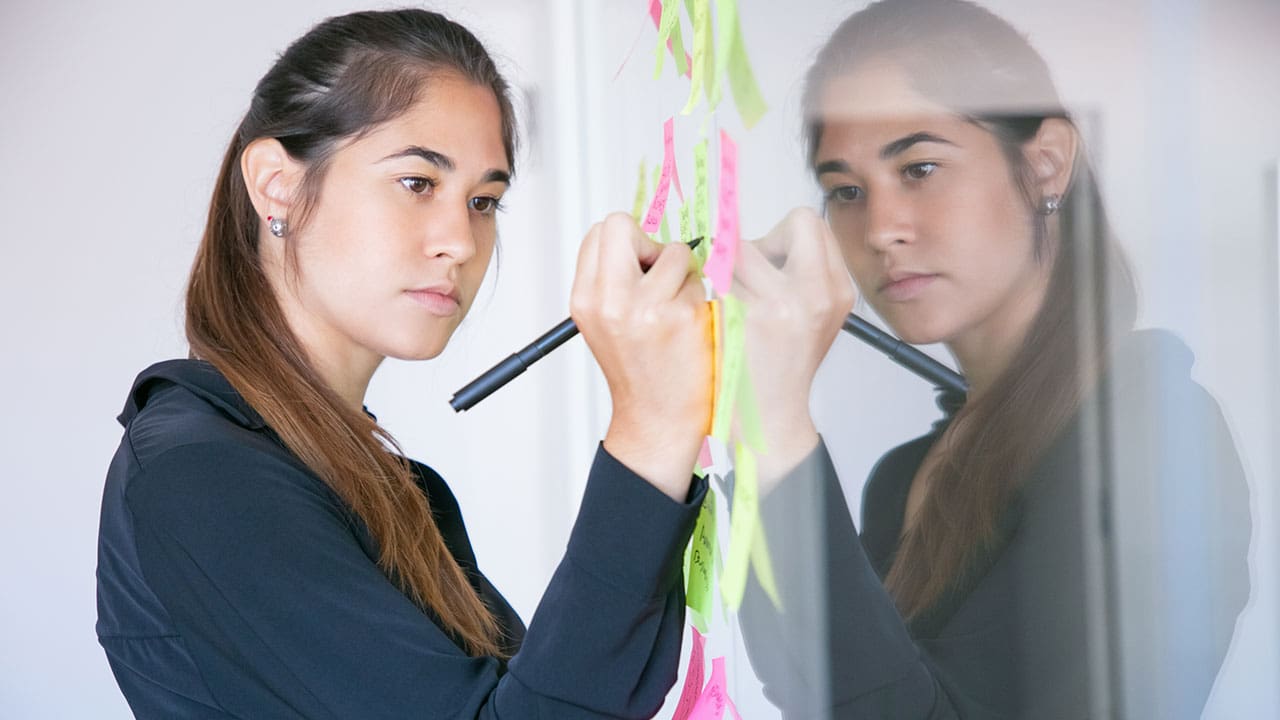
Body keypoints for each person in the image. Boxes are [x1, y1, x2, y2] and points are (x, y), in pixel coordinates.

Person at [95, 9, 712, 719]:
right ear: (276, 185)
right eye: (418, 182)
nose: (460, 241)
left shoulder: (387, 487)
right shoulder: (201, 472)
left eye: (484, 200)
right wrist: (651, 426)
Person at [730, 0, 1251, 717]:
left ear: (1044, 165)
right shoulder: (905, 476)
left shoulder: (1150, 436)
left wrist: (781, 421)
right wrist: (757, 427)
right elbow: (814, 691)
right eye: (846, 191)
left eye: (919, 168)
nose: (881, 229)